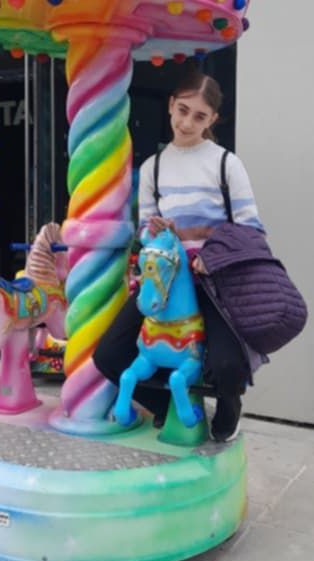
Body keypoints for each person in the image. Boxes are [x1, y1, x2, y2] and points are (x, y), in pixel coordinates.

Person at [93, 72, 265, 442]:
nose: (187, 123)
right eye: (183, 110)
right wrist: (156, 232)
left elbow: (252, 230)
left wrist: (208, 250)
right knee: (108, 355)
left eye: (199, 116)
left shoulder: (226, 164)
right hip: (165, 278)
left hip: (214, 280)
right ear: (171, 105)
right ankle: (167, 404)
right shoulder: (152, 168)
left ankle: (229, 406)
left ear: (212, 119)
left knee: (227, 365)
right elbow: (145, 234)